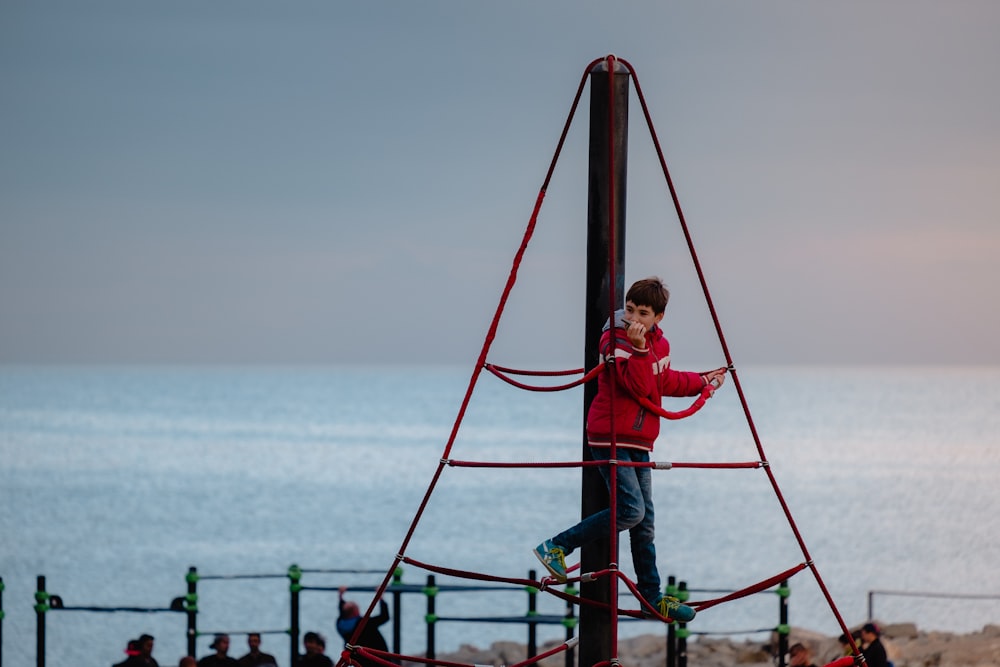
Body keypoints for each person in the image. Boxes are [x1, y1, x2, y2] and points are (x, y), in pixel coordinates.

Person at [533, 277, 727, 622]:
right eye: (631, 308)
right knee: (630, 510)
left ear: (659, 317)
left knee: (645, 521)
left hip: (638, 439)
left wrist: (703, 380)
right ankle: (557, 545)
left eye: (643, 312)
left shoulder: (659, 345)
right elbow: (635, 386)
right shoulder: (616, 339)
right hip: (609, 435)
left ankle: (650, 598)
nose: (634, 317)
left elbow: (662, 383)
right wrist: (638, 349)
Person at [336, 587, 394, 667]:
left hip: (357, 659)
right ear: (356, 611)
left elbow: (343, 611)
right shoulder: (364, 624)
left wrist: (340, 596)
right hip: (375, 659)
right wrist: (381, 597)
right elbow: (384, 616)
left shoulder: (340, 624)